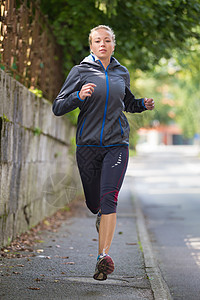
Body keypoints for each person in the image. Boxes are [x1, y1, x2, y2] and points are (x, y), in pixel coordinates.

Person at [52, 25, 154, 281]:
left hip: (116, 144)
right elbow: (58, 106)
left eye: (107, 40)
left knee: (110, 199)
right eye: (97, 41)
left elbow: (126, 102)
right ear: (91, 45)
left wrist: (141, 104)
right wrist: (78, 95)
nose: (102, 44)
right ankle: (99, 215)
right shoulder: (80, 71)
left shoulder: (122, 72)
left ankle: (102, 257)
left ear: (113, 45)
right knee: (94, 203)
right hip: (87, 146)